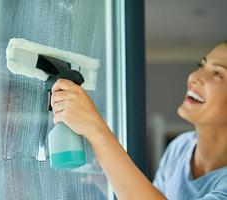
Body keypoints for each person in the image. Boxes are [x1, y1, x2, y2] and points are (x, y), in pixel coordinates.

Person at [50, 41, 227, 200]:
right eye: (201, 66)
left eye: (218, 74)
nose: (195, 77)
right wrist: (110, 182)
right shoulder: (180, 148)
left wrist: (95, 128)